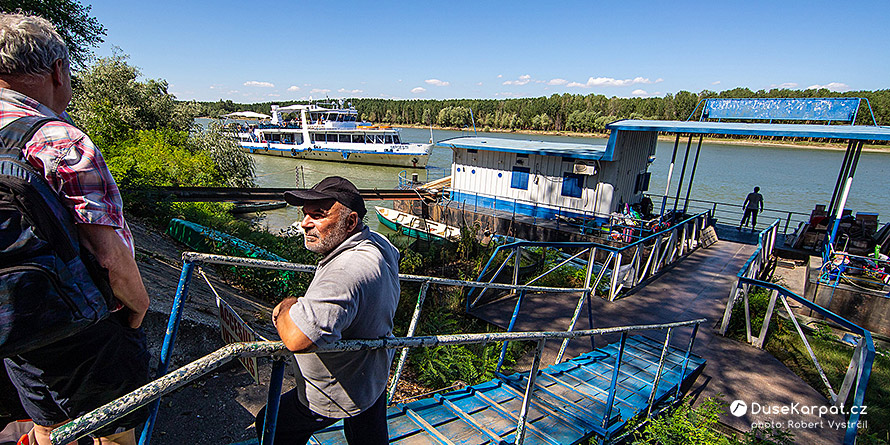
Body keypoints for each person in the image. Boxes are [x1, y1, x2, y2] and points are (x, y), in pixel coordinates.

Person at [0, 12, 150, 445]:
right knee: (115, 430)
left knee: (47, 420)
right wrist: (136, 308)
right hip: (78, 324)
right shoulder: (57, 139)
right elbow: (109, 255)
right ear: (56, 71)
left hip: (12, 320)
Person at [255, 176, 400, 444]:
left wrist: (288, 304)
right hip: (373, 370)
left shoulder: (346, 271)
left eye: (318, 215)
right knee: (367, 433)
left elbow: (297, 338)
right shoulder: (377, 242)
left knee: (271, 424)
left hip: (334, 387)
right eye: (305, 214)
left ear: (351, 222)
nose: (304, 223)